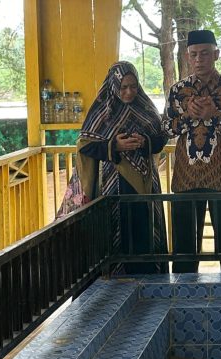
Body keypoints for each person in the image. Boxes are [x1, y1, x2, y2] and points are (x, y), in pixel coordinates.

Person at [163, 29, 221, 273]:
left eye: (204, 53)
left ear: (216, 54)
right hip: (186, 179)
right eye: (194, 54)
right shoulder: (177, 91)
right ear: (187, 57)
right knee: (184, 252)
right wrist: (185, 116)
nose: (199, 59)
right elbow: (166, 129)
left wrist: (216, 115)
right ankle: (181, 303)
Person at [76, 61, 169, 274]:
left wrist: (145, 141)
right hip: (112, 185)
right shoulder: (102, 109)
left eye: (133, 86)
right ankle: (116, 283)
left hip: (146, 184)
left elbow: (160, 139)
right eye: (123, 87)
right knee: (116, 231)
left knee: (145, 229)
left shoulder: (145, 107)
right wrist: (114, 146)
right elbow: (86, 145)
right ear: (114, 85)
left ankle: (149, 280)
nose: (129, 92)